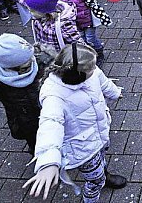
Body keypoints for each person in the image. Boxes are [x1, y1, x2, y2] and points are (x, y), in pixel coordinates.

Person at [23, 44, 126, 201]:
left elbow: (103, 82)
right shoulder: (54, 95)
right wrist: (49, 161)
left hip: (99, 133)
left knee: (101, 158)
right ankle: (93, 194)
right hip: (82, 148)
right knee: (95, 181)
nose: (96, 69)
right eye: (92, 67)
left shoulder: (89, 70)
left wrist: (115, 93)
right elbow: (50, 124)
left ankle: (104, 175)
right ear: (77, 73)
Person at [0, 34, 56, 154]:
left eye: (31, 58)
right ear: (10, 67)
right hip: (25, 122)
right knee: (36, 144)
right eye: (26, 65)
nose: (32, 61)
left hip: (50, 113)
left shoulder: (42, 60)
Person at [53, 0, 112, 66]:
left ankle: (99, 51)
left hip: (87, 21)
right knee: (82, 40)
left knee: (91, 39)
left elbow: (95, 7)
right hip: (74, 22)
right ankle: (88, 55)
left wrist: (104, 19)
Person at [0, 0, 84, 51]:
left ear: (47, 12)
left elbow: (77, 42)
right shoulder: (42, 8)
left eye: (33, 11)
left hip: (58, 54)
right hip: (44, 49)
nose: (30, 12)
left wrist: (87, 56)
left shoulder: (64, 24)